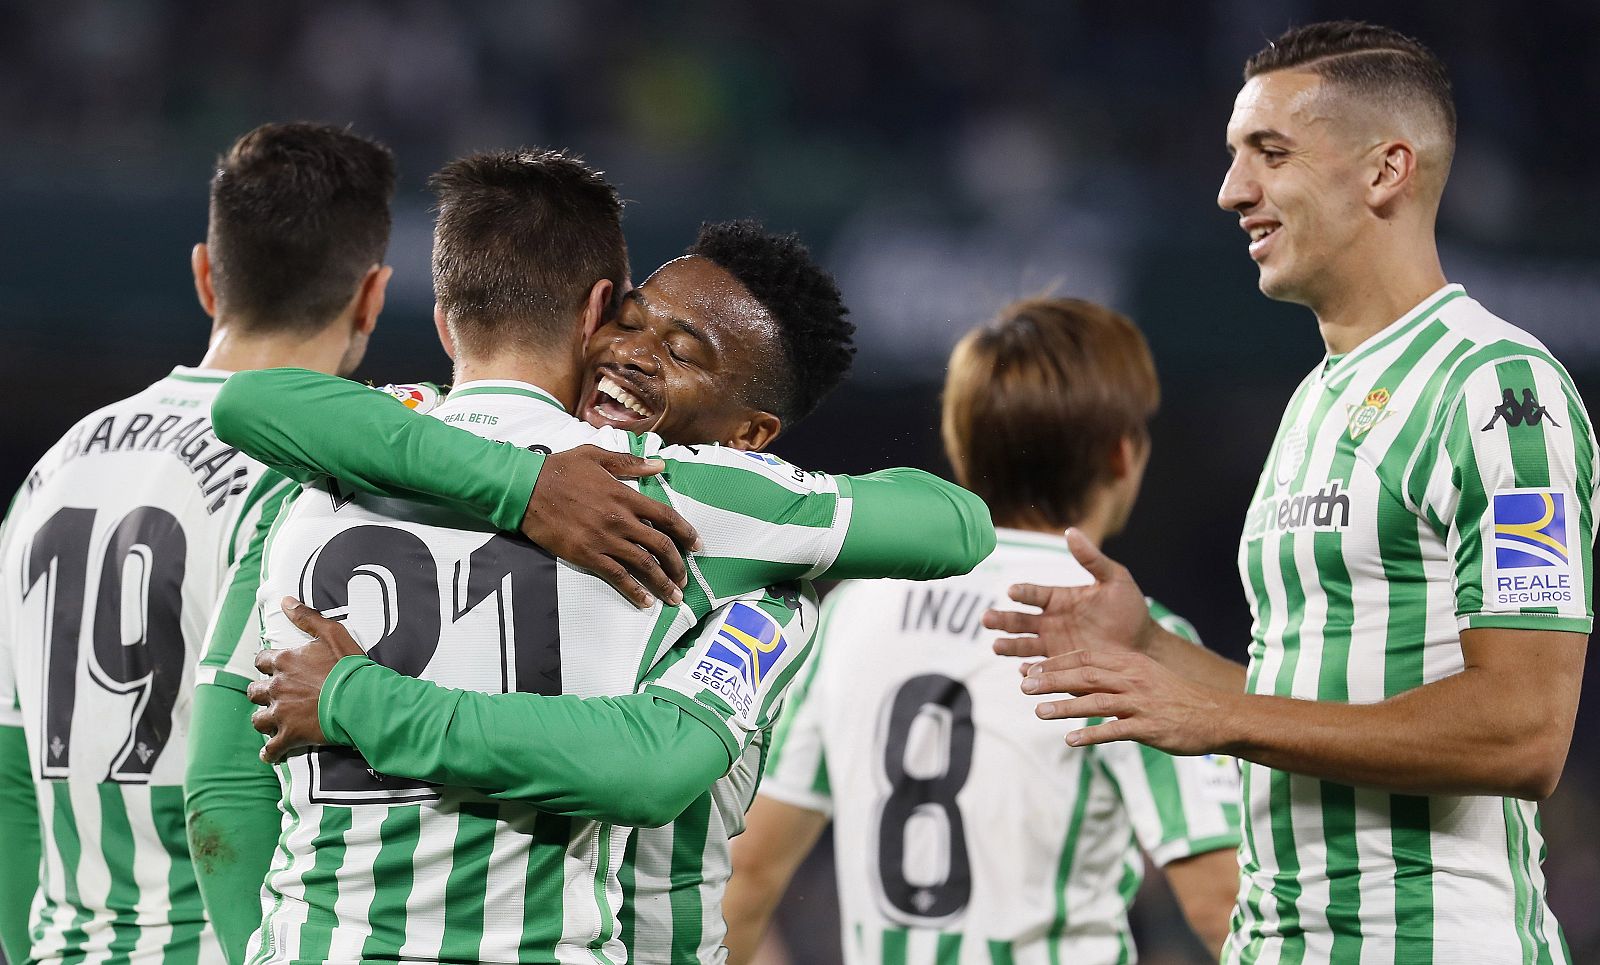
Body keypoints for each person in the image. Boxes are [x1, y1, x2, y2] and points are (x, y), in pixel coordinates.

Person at [218, 149, 994, 964]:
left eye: (683, 352)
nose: (633, 353)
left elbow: (648, 766)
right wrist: (524, 486)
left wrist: (362, 701)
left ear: (750, 436)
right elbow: (253, 402)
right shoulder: (395, 437)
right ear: (594, 311)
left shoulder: (740, 542)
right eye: (631, 320)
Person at [987, 22, 1595, 963]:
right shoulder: (1316, 398)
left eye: (1270, 154)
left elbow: (1525, 732)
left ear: (1385, 171)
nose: (1232, 190)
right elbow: (1302, 705)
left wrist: (1223, 719)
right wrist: (1150, 649)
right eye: (1236, 155)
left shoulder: (1499, 390)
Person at [722, 298, 1242, 964]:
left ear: (963, 446)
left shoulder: (855, 608)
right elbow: (1218, 902)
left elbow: (749, 873)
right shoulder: (1133, 634)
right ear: (1123, 454)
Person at [0, 121, 397, 965]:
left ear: (206, 275)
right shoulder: (313, 490)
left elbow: (7, 773)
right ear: (371, 296)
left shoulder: (51, 470)